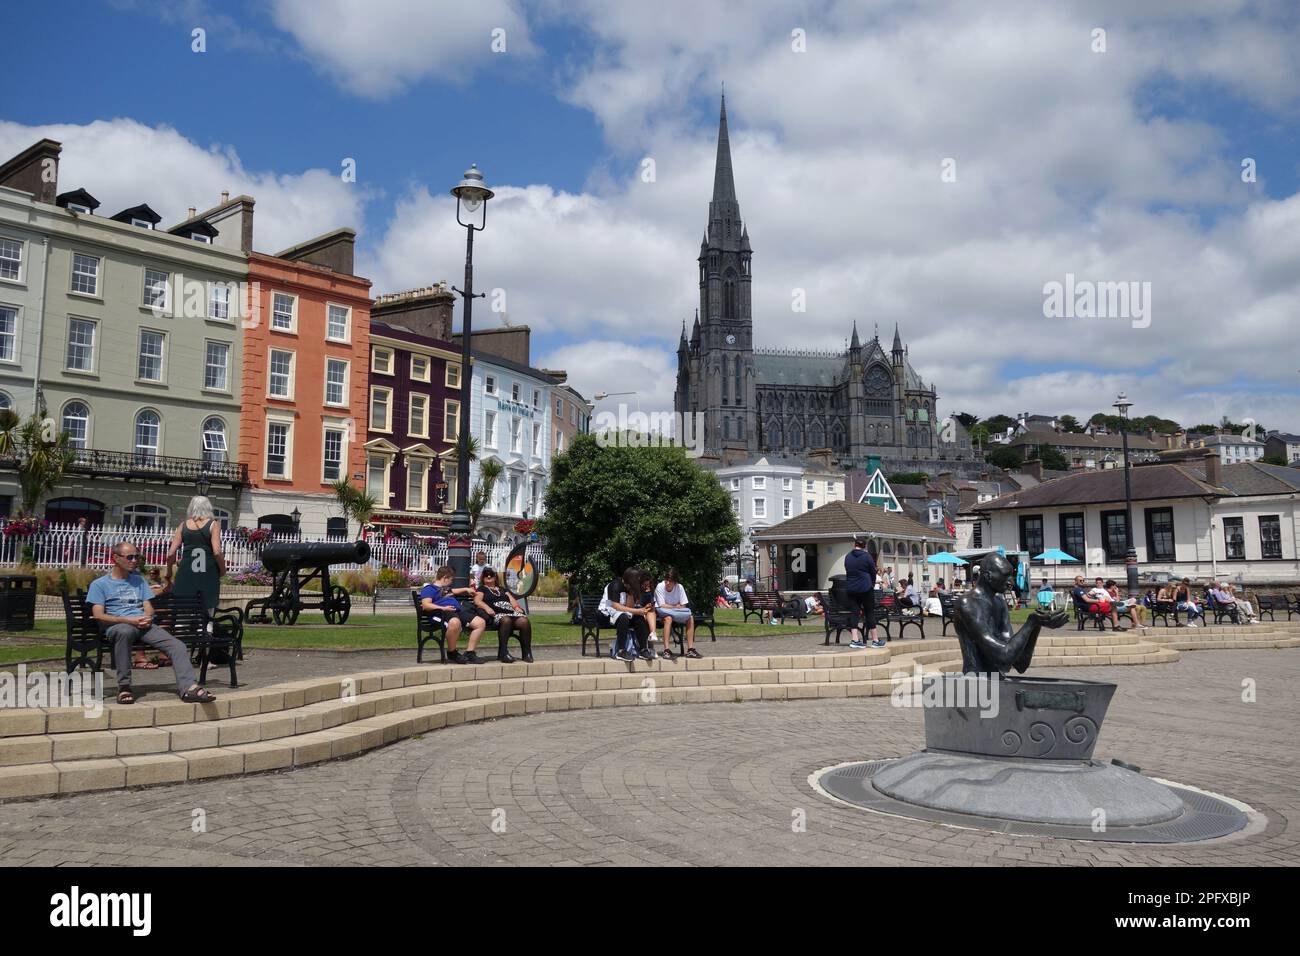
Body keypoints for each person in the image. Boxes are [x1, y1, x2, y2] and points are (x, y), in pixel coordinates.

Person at [88, 541, 217, 705]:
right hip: (119, 625)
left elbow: (148, 607)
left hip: (143, 625)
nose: (134, 560)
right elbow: (98, 615)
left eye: (137, 557)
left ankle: (189, 688)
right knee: (124, 632)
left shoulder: (139, 581)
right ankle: (124, 687)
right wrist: (127, 620)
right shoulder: (100, 584)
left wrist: (147, 617)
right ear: (115, 558)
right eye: (130, 557)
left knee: (177, 646)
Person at [419, 565, 488, 664]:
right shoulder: (429, 589)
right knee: (455, 622)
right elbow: (426, 605)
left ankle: (470, 652)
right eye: (451, 579)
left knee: (480, 623)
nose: (452, 582)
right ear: (445, 578)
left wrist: (466, 589)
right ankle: (452, 652)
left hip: (456, 611)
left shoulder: (444, 589)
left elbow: (453, 591)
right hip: (441, 613)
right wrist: (443, 608)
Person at [474, 567, 534, 663]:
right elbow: (477, 601)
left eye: (491, 574)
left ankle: (526, 652)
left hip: (510, 612)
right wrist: (487, 608)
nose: (489, 576)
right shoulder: (482, 589)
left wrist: (517, 607)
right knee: (506, 620)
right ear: (483, 578)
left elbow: (512, 600)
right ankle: (503, 652)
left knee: (524, 621)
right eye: (486, 575)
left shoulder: (502, 589)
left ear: (495, 577)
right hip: (495, 613)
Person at [599, 568, 653, 662]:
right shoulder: (614, 585)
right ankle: (621, 650)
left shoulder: (629, 588)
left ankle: (643, 649)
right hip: (605, 615)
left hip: (621, 614)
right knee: (624, 617)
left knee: (639, 618)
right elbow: (616, 606)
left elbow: (629, 607)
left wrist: (631, 593)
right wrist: (637, 611)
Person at [846, 537, 884, 649]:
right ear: (864, 546)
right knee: (869, 612)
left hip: (852, 587)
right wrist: (871, 584)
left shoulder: (848, 557)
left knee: (854, 612)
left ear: (855, 544)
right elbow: (873, 572)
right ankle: (875, 640)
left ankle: (855, 639)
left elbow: (848, 570)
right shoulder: (867, 557)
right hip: (866, 587)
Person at [655, 568, 702, 659]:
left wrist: (672, 607)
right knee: (668, 618)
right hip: (662, 615)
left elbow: (683, 605)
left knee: (690, 617)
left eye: (670, 581)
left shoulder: (679, 587)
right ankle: (666, 650)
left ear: (675, 582)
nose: (667, 583)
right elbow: (661, 605)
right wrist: (675, 606)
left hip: (676, 613)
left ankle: (690, 649)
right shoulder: (660, 587)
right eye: (666, 580)